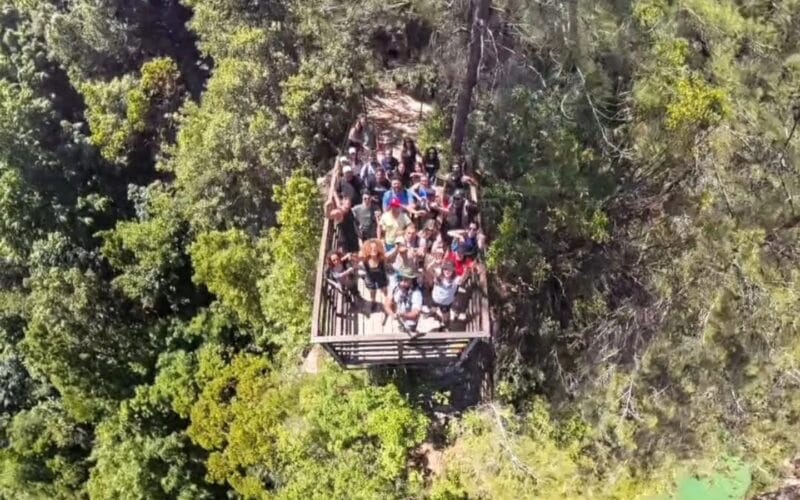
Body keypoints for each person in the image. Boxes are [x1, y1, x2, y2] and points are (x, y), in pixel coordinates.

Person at [431, 260, 470, 327]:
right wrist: (433, 263)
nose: (447, 271)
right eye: (446, 269)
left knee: (445, 316)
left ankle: (445, 325)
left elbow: (463, 279)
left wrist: (466, 271)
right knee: (433, 308)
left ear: (453, 271)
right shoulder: (439, 275)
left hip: (446, 303)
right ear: (442, 269)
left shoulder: (456, 280)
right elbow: (429, 269)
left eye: (450, 269)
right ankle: (433, 314)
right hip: (435, 299)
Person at [384, 269, 423, 335]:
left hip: (410, 321)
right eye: (400, 279)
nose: (402, 282)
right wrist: (392, 314)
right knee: (401, 331)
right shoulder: (395, 288)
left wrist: (402, 315)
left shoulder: (416, 293)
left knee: (410, 332)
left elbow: (415, 313)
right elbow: (387, 304)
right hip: (399, 317)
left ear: (411, 280)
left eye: (406, 280)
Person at [360, 239, 389, 312]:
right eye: (371, 248)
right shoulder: (365, 259)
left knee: (384, 289)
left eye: (375, 248)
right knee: (372, 291)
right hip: (370, 279)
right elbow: (356, 258)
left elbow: (389, 259)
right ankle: (373, 302)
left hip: (381, 277)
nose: (373, 250)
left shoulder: (382, 258)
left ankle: (388, 302)